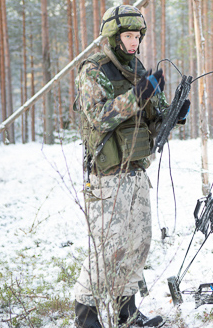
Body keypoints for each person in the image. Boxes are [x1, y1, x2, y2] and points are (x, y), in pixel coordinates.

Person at [73, 5, 189, 328]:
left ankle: (127, 314)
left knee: (139, 242)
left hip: (136, 171)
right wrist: (140, 93)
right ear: (113, 37)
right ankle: (87, 318)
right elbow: (99, 116)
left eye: (137, 36)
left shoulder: (137, 69)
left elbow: (154, 114)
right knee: (108, 249)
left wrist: (175, 111)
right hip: (107, 175)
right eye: (127, 36)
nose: (134, 42)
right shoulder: (93, 71)